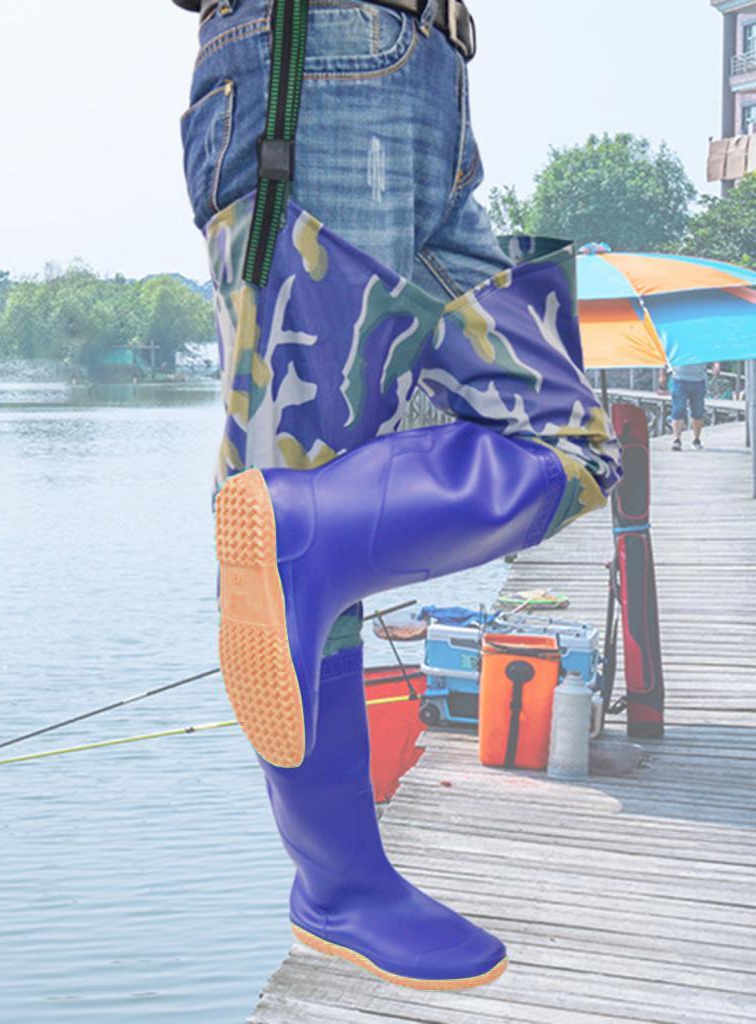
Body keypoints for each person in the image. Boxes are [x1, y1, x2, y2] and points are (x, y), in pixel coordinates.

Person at [176, 0, 622, 993]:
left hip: (433, 85)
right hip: (312, 65)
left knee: (572, 443)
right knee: (293, 486)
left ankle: (310, 537)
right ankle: (341, 884)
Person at [658, 361, 721, 451]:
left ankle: (696, 439)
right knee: (678, 410)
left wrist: (716, 364)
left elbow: (712, 354)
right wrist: (662, 374)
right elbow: (665, 357)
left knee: (698, 411)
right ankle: (677, 439)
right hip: (679, 379)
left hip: (698, 380)